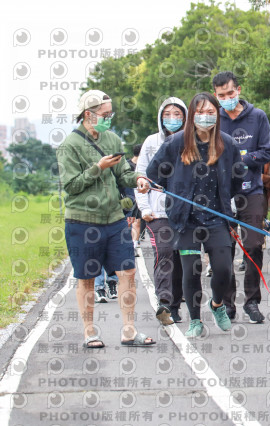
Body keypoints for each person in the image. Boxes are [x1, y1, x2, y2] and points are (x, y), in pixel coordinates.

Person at [56, 89, 154, 348]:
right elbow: (71, 186)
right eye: (105, 114)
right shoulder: (69, 146)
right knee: (87, 278)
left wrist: (139, 180)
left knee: (128, 272)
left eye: (111, 114)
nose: (109, 118)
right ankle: (90, 332)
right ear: (88, 115)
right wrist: (97, 168)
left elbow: (123, 173)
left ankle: (129, 330)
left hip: (114, 219)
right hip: (82, 221)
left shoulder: (111, 139)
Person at [146, 92, 243, 338]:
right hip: (186, 220)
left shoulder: (227, 143)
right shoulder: (176, 143)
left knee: (223, 269)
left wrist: (222, 201)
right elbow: (154, 173)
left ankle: (217, 304)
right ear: (192, 114)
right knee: (191, 271)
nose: (206, 116)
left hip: (216, 218)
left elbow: (237, 179)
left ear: (217, 115)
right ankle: (195, 320)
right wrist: (174, 190)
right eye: (200, 111)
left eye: (211, 112)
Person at [212, 71, 270, 323]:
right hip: (222, 194)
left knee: (253, 246)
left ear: (238, 90)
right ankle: (228, 303)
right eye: (221, 96)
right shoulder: (213, 119)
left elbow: (266, 152)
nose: (226, 98)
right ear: (215, 96)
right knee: (223, 249)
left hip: (253, 191)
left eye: (230, 93)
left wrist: (240, 160)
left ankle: (252, 302)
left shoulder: (258, 117)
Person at [136, 97, 188, 325]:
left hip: (185, 212)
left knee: (182, 257)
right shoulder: (151, 142)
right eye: (168, 114)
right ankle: (164, 302)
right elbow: (140, 178)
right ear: (160, 117)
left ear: (186, 117)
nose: (173, 119)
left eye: (178, 114)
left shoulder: (192, 142)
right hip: (159, 213)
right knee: (165, 251)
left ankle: (176, 305)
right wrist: (145, 208)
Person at [125, 144, 144, 253]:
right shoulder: (127, 165)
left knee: (137, 222)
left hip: (140, 197)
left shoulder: (143, 166)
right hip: (128, 198)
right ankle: (127, 244)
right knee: (128, 223)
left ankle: (134, 247)